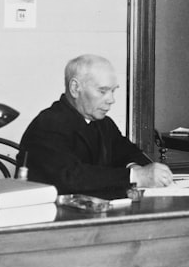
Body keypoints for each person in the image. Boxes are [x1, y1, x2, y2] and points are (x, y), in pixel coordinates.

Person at [19, 54, 172, 194]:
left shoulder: (103, 123)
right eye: (102, 91)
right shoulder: (48, 124)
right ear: (75, 88)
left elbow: (128, 152)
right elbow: (70, 177)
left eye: (113, 91)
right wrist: (135, 176)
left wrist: (135, 167)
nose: (111, 99)